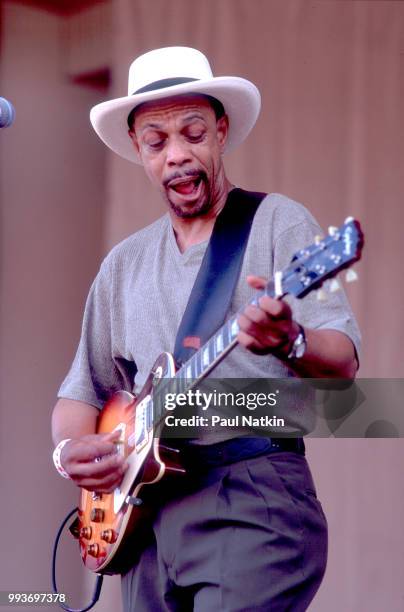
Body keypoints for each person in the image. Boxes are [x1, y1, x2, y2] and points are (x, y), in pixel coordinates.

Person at [52, 47, 360, 611]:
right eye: (157, 142)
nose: (176, 155)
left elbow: (342, 360)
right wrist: (69, 448)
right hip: (145, 515)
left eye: (193, 133)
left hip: (251, 493)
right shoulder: (123, 264)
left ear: (221, 132)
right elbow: (80, 392)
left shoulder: (277, 222)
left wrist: (289, 340)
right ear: (141, 154)